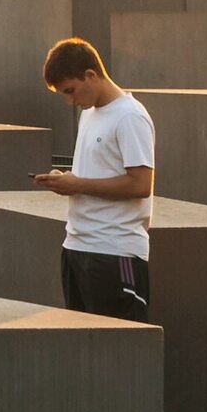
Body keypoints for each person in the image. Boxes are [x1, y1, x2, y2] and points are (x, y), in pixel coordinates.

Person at [34, 36, 155, 321]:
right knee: (85, 347)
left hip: (116, 252)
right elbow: (96, 172)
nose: (70, 101)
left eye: (71, 91)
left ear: (91, 75)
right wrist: (66, 180)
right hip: (76, 246)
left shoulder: (130, 116)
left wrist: (77, 184)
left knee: (121, 344)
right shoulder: (89, 114)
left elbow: (141, 184)